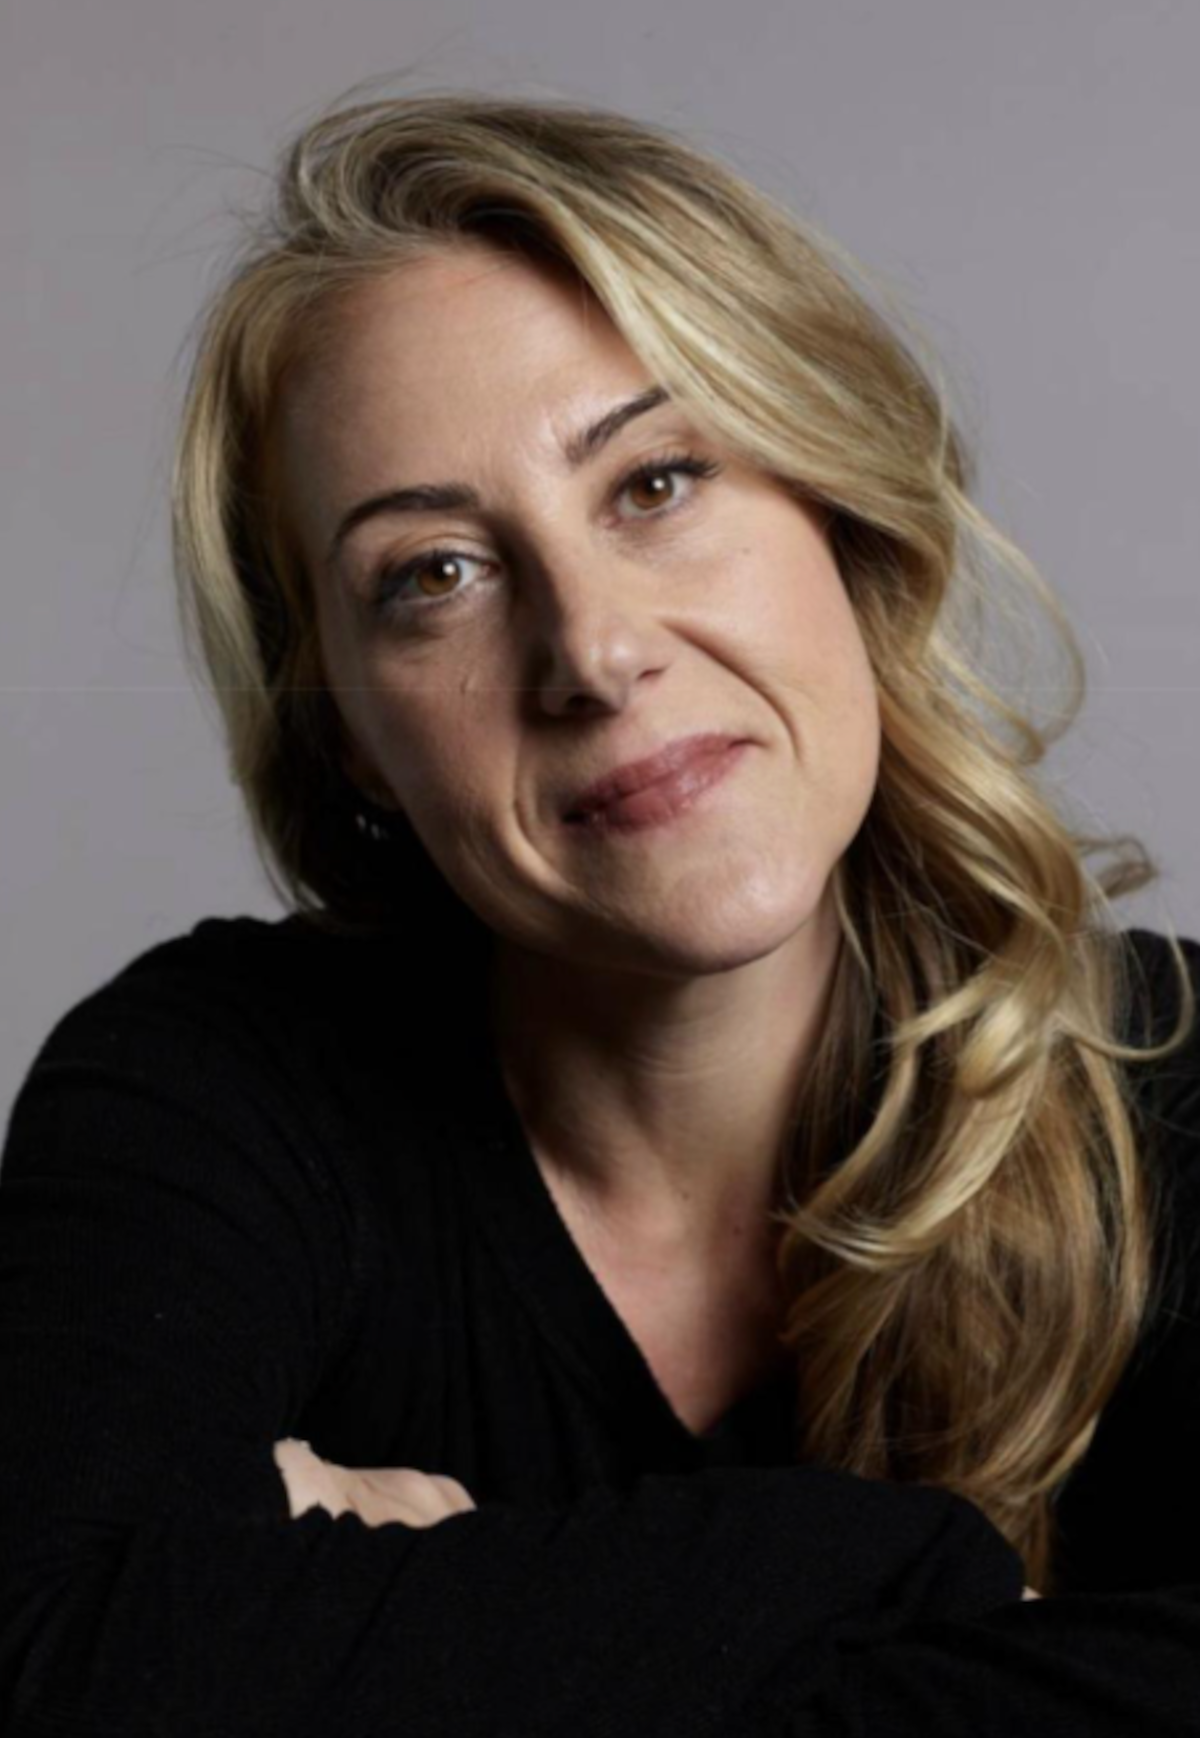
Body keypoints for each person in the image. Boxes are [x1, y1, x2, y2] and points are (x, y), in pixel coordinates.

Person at [2, 81, 1199, 1737]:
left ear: (837, 510)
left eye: (656, 482)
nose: (593, 649)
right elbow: (46, 1675)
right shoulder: (207, 1099)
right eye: (434, 573)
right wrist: (910, 1573)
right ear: (347, 724)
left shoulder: (1173, 1097)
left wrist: (456, 1613)